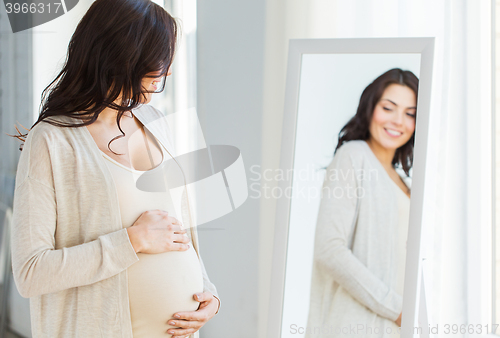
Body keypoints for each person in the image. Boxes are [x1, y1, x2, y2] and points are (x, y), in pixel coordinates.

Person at [8, 1, 219, 337]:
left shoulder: (155, 122)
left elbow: (179, 232)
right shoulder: (52, 140)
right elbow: (32, 272)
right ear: (118, 61)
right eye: (149, 79)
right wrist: (132, 240)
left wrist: (209, 294)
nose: (151, 94)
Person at [305, 68, 418, 338]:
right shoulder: (353, 157)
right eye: (388, 108)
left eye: (410, 113)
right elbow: (329, 249)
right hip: (354, 325)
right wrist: (398, 309)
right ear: (370, 108)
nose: (398, 121)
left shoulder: (405, 183)